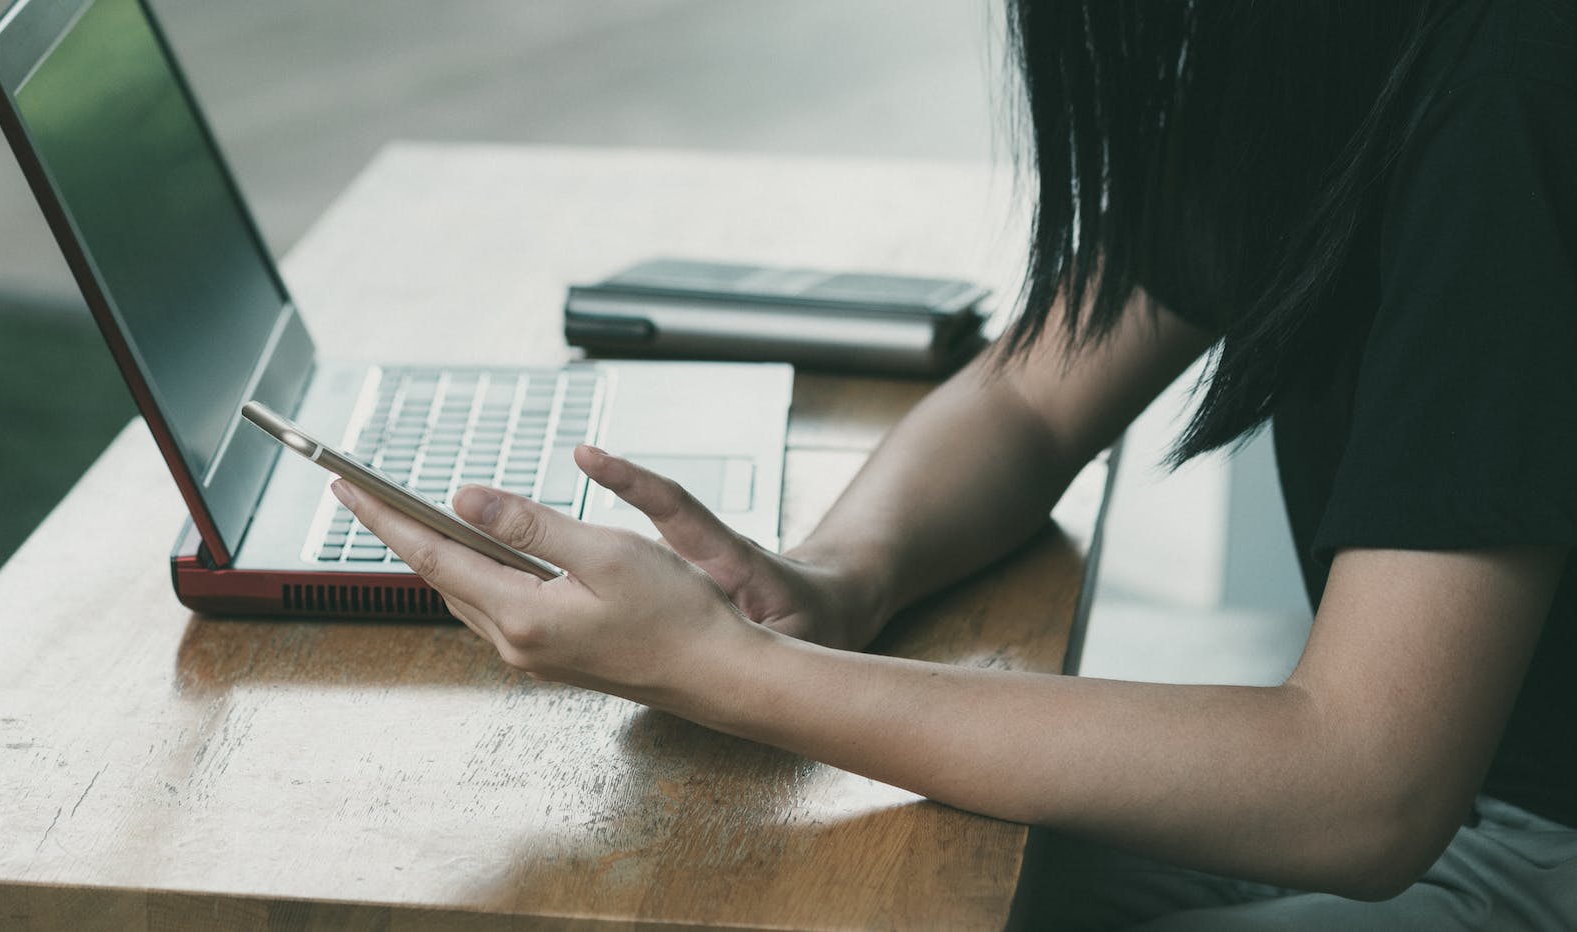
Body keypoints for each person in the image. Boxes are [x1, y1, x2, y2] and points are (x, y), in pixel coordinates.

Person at [332, 0, 1576, 927]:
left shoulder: (1504, 85)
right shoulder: (1321, 47)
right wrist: (830, 576)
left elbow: (1364, 788)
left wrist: (729, 668)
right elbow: (1031, 395)